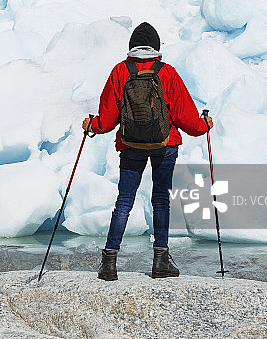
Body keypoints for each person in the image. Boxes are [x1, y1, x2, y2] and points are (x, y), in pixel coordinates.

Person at [83, 22, 213, 280]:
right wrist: (203, 126)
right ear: (156, 47)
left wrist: (92, 126)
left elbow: (108, 117)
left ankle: (109, 262)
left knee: (124, 201)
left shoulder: (121, 71)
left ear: (131, 47)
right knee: (161, 200)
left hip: (131, 145)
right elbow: (183, 114)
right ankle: (161, 260)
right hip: (165, 145)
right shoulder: (168, 73)